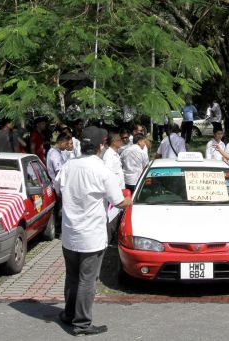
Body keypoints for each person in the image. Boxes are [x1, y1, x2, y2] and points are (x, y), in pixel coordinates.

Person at [55, 126, 131, 336]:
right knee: (87, 279)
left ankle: (69, 314)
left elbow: (57, 187)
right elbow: (118, 201)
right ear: (101, 146)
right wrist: (130, 200)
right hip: (91, 236)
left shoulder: (68, 166)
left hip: (70, 233)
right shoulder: (102, 170)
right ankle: (82, 323)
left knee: (72, 276)